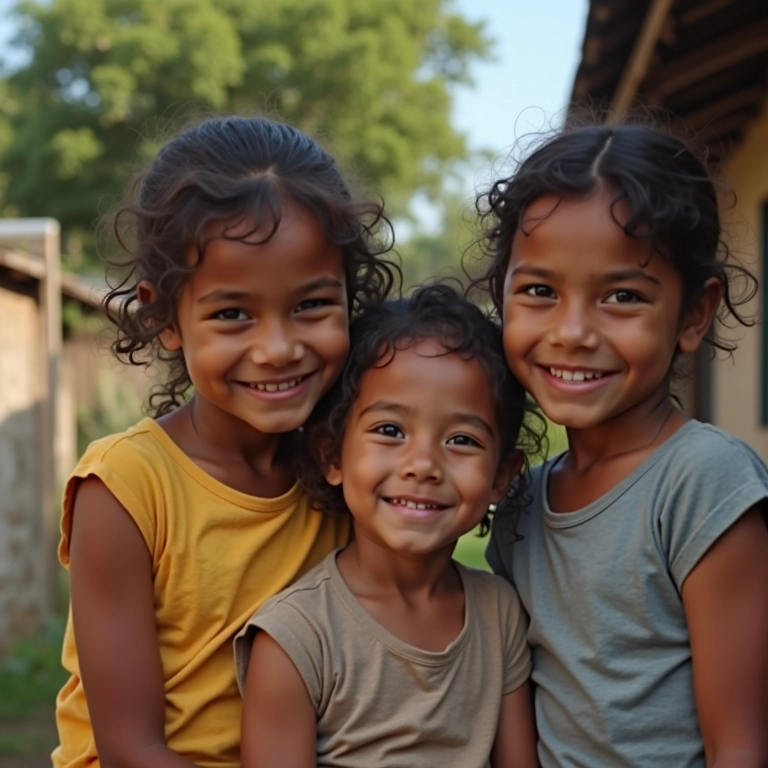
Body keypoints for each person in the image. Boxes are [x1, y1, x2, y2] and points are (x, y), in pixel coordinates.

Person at [53, 115, 400, 768]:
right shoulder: (126, 490)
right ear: (165, 318)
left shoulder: (346, 472)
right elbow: (131, 748)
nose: (277, 348)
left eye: (311, 306)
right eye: (233, 314)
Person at [477, 122, 768, 767]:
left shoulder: (701, 480)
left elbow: (741, 746)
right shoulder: (521, 501)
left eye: (622, 296)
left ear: (694, 314)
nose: (573, 332)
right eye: (540, 292)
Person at [234, 284, 542, 768]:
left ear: (501, 477)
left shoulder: (498, 613)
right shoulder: (297, 637)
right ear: (332, 456)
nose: (422, 465)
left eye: (461, 439)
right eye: (390, 431)